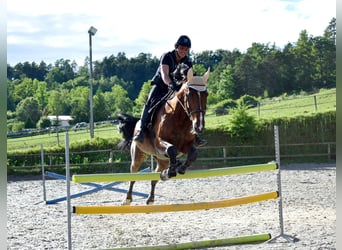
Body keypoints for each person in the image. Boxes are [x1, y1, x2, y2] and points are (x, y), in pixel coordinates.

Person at [133, 35, 207, 147]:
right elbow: (164, 74)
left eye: (186, 49)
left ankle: (194, 134)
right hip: (162, 85)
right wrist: (171, 84)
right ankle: (141, 130)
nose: (183, 51)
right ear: (177, 47)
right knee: (150, 102)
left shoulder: (188, 62)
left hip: (177, 88)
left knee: (186, 106)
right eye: (181, 48)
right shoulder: (167, 56)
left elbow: (189, 79)